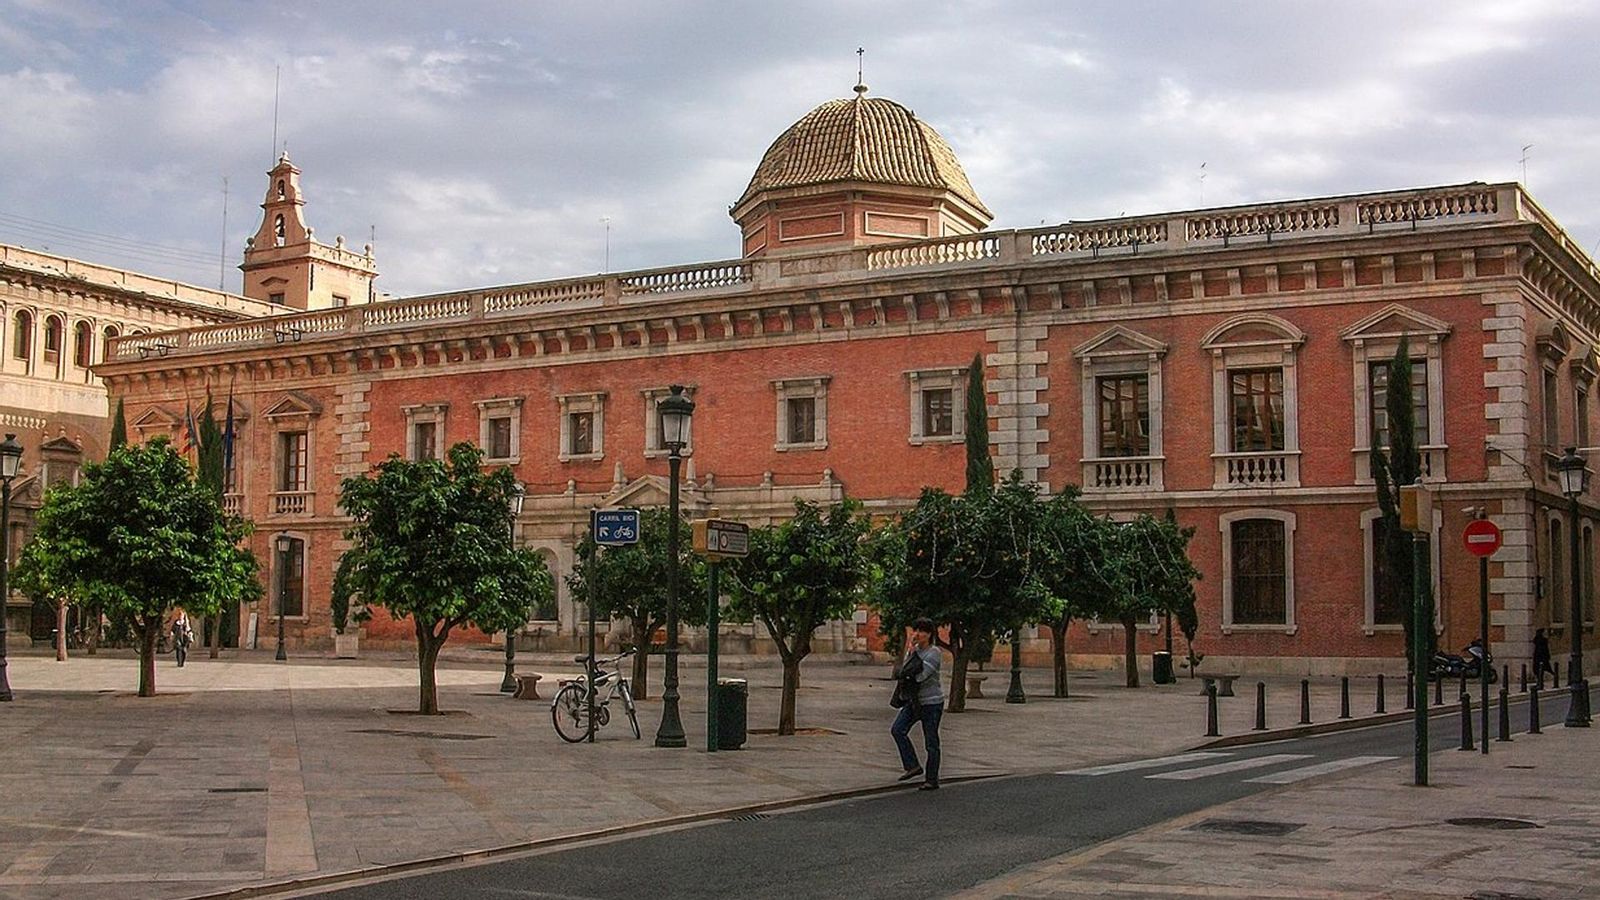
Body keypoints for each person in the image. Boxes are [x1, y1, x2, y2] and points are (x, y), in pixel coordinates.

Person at [890, 617, 943, 791]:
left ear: (929, 634)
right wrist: (910, 650)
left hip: (931, 702)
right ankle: (912, 765)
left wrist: (908, 672)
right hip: (914, 702)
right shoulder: (915, 651)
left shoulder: (934, 652)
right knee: (898, 729)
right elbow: (905, 669)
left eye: (922, 631)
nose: (917, 634)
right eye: (916, 630)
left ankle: (931, 779)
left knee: (931, 742)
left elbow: (921, 676)